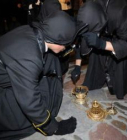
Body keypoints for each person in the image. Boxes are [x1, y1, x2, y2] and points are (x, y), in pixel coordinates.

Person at [0, 10, 81, 140]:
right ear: (57, 41)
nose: (67, 48)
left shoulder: (32, 32)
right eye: (66, 45)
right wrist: (54, 127)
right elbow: (30, 102)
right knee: (24, 117)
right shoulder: (29, 57)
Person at [71, 0, 127, 99]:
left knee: (118, 69)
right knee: (96, 51)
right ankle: (98, 79)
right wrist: (77, 66)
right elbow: (82, 40)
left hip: (123, 31)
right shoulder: (90, 8)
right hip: (103, 26)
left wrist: (102, 44)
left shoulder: (119, 12)